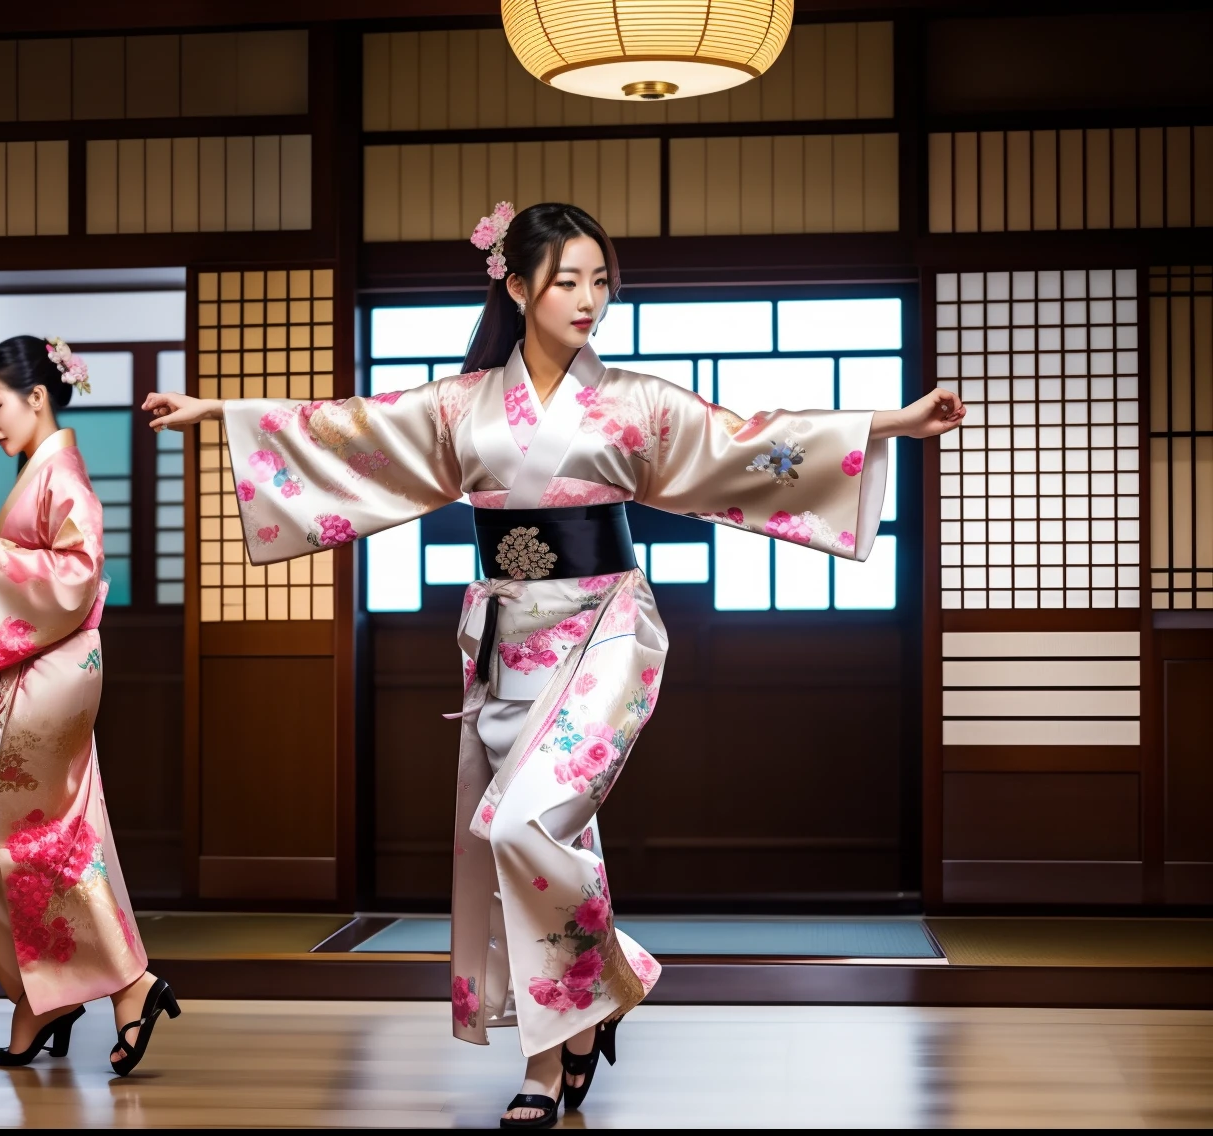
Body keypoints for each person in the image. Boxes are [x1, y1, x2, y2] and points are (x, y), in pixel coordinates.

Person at [143, 202, 965, 1126]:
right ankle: (552, 1055)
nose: (589, 298)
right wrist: (219, 411)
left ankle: (606, 986)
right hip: (509, 638)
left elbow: (744, 443)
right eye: (569, 278)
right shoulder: (461, 404)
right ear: (517, 283)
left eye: (600, 280)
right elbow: (355, 431)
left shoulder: (639, 402)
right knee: (541, 846)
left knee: (520, 828)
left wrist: (891, 423)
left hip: (609, 628)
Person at [0, 335, 178, 1077]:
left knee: (5, 835)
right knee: (31, 839)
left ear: (36, 396)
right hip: (43, 670)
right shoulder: (41, 473)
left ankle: (104, 986)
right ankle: (61, 991)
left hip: (55, 672)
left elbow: (74, 578)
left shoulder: (62, 476)